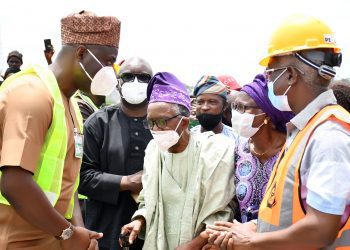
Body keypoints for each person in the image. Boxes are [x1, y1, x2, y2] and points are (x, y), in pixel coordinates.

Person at [206, 14, 350, 249]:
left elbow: (321, 228)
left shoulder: (329, 134)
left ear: (291, 75)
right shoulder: (306, 129)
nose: (268, 79)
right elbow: (291, 211)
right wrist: (254, 227)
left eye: (271, 73)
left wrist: (253, 241)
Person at [0, 10, 121, 250]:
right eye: (108, 61)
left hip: (51, 236)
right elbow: (15, 183)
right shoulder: (32, 95)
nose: (112, 71)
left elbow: (69, 183)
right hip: (17, 239)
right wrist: (67, 233)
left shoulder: (70, 105)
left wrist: (79, 232)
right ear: (82, 53)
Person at [121, 72, 236, 250]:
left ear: (184, 122)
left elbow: (221, 210)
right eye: (150, 123)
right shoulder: (153, 150)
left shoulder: (216, 150)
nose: (155, 129)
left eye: (161, 122)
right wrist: (139, 219)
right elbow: (147, 199)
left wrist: (194, 244)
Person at [79, 57, 153, 250]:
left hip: (153, 228)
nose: (135, 83)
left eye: (144, 78)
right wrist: (128, 182)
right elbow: (82, 177)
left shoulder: (163, 124)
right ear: (118, 83)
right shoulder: (98, 123)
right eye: (128, 77)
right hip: (106, 228)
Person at [191, 75, 237, 140]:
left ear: (224, 106)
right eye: (200, 102)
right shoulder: (187, 138)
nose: (205, 107)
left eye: (212, 102)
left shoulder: (237, 140)